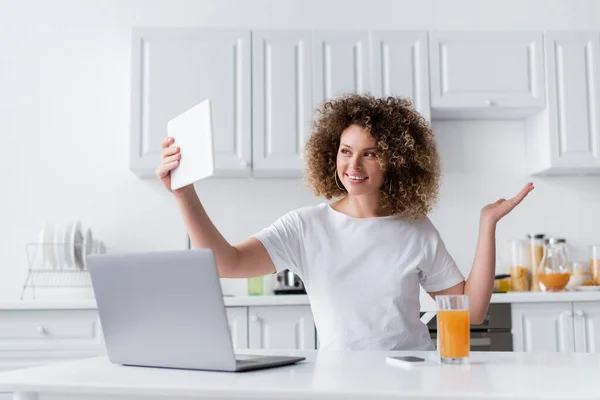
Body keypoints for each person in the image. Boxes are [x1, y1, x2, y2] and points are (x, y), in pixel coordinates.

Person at [156, 93, 534, 351]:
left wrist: (487, 225)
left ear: (396, 162)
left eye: (370, 154)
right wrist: (183, 193)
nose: (353, 166)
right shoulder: (305, 226)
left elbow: (472, 311)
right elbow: (227, 262)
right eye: (346, 151)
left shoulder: (416, 229)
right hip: (340, 379)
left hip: (412, 375)